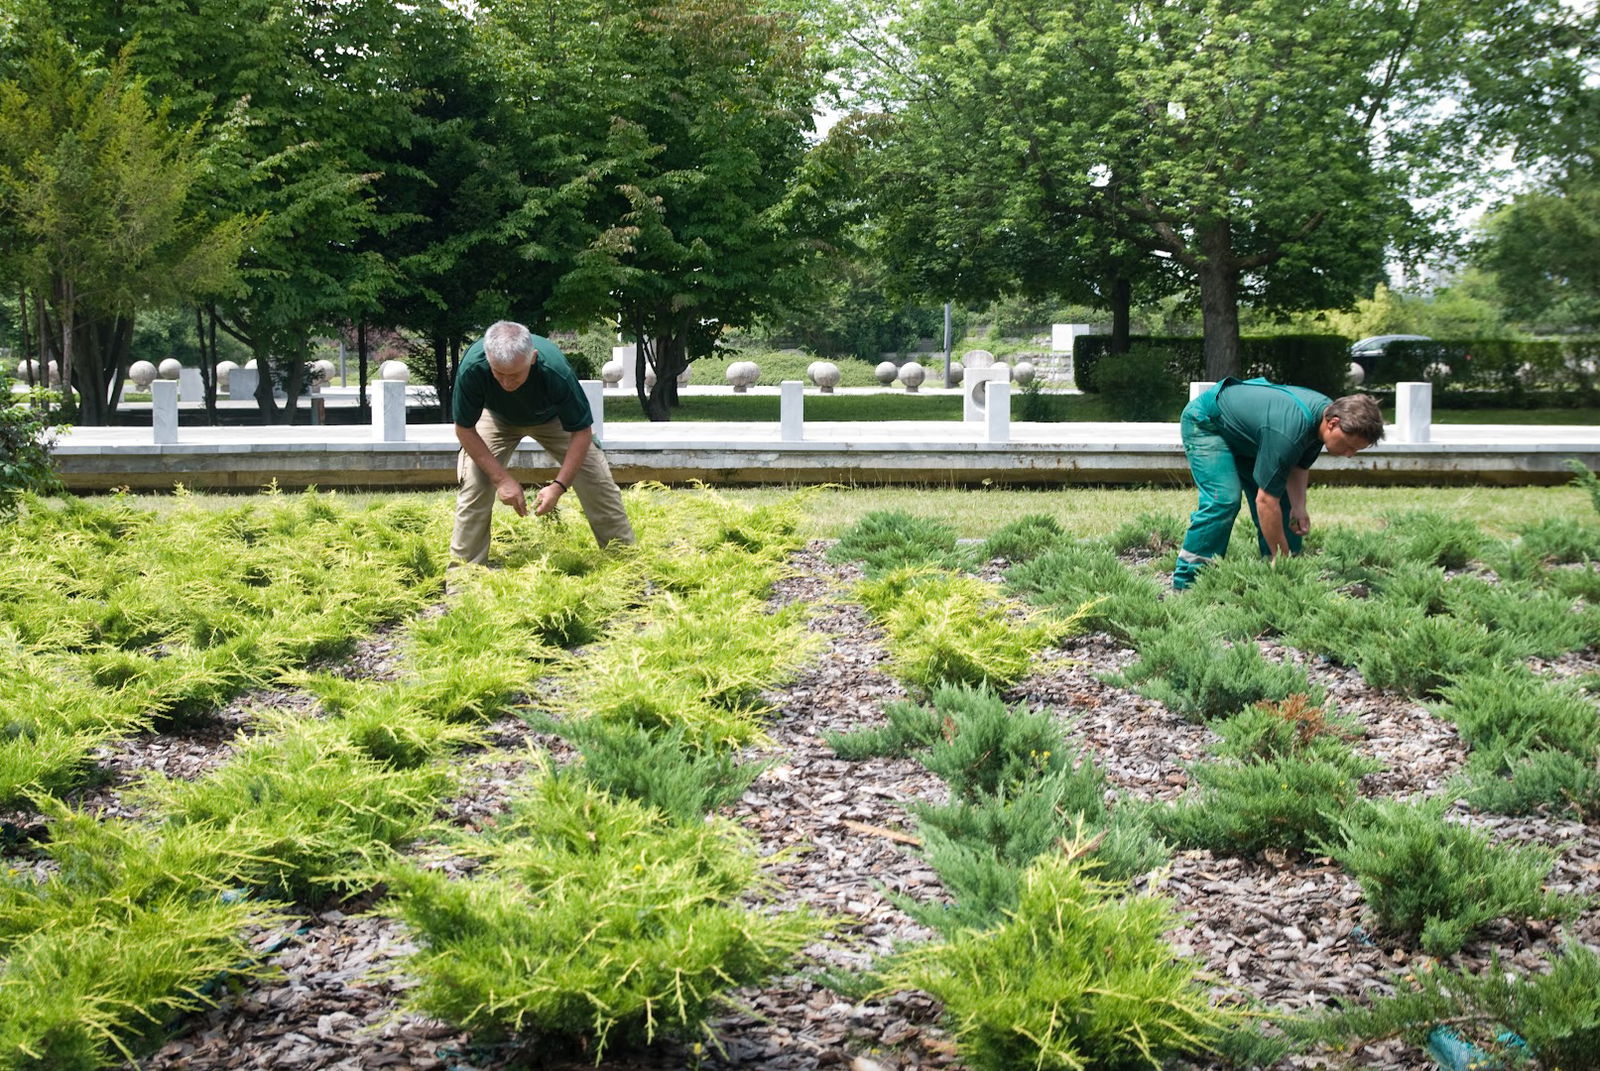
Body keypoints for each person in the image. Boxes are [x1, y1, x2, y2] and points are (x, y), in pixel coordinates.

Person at [1171, 377, 1384, 590]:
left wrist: (1299, 507)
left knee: (1284, 503)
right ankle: (1190, 583)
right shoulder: (1290, 432)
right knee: (1224, 500)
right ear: (1333, 423)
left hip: (1252, 432)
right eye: (1349, 446)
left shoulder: (1322, 416)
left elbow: (1298, 466)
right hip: (1208, 422)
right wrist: (1282, 560)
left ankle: (1276, 580)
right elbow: (1265, 502)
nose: (1349, 455)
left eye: (1356, 451)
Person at [450, 320, 635, 564]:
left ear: (533, 358)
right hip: (497, 418)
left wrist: (559, 486)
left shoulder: (555, 369)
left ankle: (628, 569)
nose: (506, 384)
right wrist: (502, 479)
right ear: (488, 359)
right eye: (498, 374)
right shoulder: (473, 367)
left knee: (597, 481)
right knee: (476, 483)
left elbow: (581, 431)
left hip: (552, 418)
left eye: (514, 375)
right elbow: (464, 429)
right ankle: (464, 578)